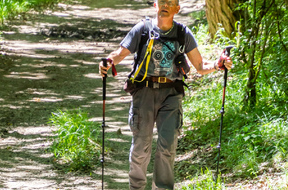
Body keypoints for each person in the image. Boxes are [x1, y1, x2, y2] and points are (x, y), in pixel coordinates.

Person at [99, 0, 233, 189]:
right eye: (162, 1)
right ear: (155, 5)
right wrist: (107, 62)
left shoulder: (182, 33)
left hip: (171, 93)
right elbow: (119, 54)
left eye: (170, 3)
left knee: (168, 147)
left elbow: (200, 66)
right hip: (143, 92)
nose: (165, 5)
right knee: (140, 148)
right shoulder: (142, 29)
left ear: (177, 9)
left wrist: (218, 64)